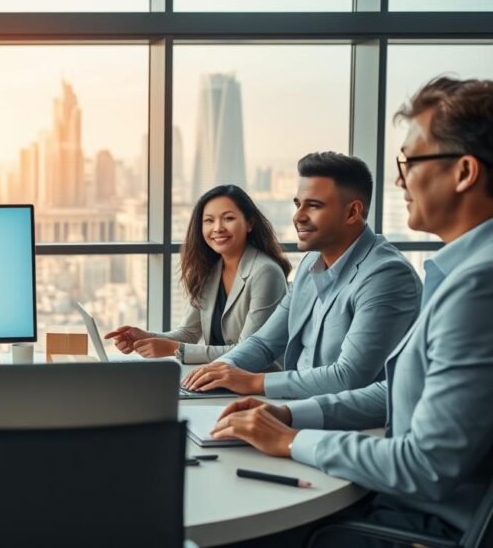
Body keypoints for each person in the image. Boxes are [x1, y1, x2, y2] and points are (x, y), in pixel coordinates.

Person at [209, 76, 493, 547]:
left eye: (411, 161)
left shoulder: (476, 286)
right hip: (397, 498)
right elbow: (392, 390)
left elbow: (427, 466)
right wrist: (287, 413)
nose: (400, 179)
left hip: (418, 524)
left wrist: (292, 440)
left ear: (464, 172)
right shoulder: (460, 271)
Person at [183, 152, 421, 399]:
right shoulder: (310, 265)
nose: (298, 217)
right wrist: (218, 370)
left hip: (350, 425)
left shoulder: (386, 275)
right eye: (298, 204)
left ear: (352, 213)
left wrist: (254, 383)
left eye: (314, 206)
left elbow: (349, 377)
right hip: (295, 407)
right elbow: (263, 343)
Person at [106, 185, 291, 363]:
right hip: (220, 378)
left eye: (228, 218)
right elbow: (188, 333)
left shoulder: (265, 272)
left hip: (257, 382)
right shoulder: (210, 270)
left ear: (249, 223)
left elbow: (248, 351)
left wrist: (174, 348)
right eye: (209, 221)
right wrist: (147, 337)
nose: (218, 228)